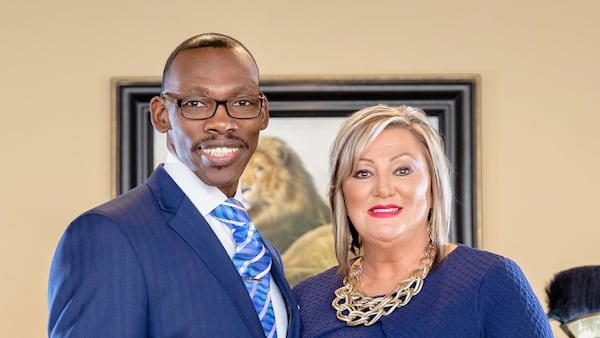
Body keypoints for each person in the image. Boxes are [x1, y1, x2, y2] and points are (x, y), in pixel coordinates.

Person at [48, 33, 299, 337]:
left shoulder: (260, 251)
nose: (222, 122)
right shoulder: (108, 235)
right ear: (161, 115)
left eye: (242, 102)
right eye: (195, 103)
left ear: (263, 113)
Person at [292, 104, 553, 337]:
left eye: (402, 170)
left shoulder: (490, 280)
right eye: (363, 173)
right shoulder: (307, 299)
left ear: (433, 185)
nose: (383, 189)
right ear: (342, 193)